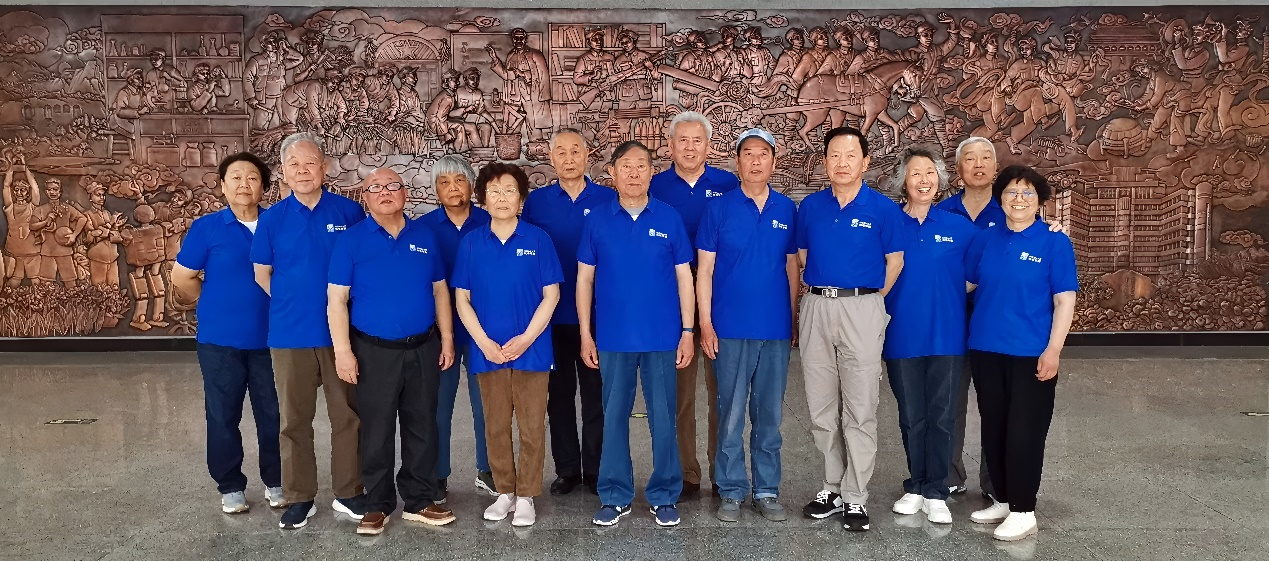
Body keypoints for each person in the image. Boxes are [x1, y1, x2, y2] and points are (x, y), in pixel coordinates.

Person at [327, 168, 457, 536]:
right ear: (365, 197)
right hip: (373, 352)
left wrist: (447, 338)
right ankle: (378, 504)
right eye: (375, 188)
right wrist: (343, 351)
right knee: (377, 429)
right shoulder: (351, 241)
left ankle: (419, 500)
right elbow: (336, 300)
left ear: (405, 194)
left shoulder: (425, 236)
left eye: (392, 186)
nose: (385, 192)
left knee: (422, 425)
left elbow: (440, 290)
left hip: (423, 347)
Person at [250, 132, 367, 529]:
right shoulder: (271, 219)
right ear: (284, 172)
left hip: (341, 337)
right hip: (290, 335)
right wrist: (294, 300)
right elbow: (263, 274)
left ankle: (349, 492)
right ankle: (300, 496)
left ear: (324, 168)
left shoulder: (349, 213)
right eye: (294, 165)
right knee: (294, 420)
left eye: (310, 163)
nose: (302, 171)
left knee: (347, 416)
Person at [797, 126, 909, 532]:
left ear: (865, 162)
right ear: (825, 162)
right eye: (834, 156)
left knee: (860, 407)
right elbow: (803, 256)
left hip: (862, 308)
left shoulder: (883, 209)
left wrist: (870, 300)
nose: (841, 163)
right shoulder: (811, 207)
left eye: (850, 156)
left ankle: (856, 495)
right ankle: (831, 486)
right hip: (816, 305)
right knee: (821, 406)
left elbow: (895, 262)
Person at [580, 141, 694, 528]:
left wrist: (688, 330)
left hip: (662, 337)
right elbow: (584, 279)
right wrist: (586, 333)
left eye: (641, 166)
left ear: (651, 172)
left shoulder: (669, 217)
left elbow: (684, 277)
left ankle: (664, 494)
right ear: (612, 172)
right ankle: (615, 494)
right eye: (625, 166)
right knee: (613, 417)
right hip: (613, 337)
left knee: (663, 418)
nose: (633, 173)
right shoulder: (597, 219)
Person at [966, 165, 1078, 541]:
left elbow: (1064, 301)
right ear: (1000, 198)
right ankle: (1003, 498)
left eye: (1027, 193)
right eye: (1011, 192)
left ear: (1040, 201)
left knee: (1024, 432)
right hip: (986, 348)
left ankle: (1024, 509)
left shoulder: (1054, 242)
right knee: (994, 427)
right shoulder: (986, 238)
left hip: (1031, 352)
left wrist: (1054, 350)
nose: (1019, 199)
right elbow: (966, 284)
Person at [696, 128, 798, 523]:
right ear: (736, 161)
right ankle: (731, 489)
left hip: (774, 328)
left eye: (763, 154)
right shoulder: (718, 209)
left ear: (774, 161)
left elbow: (791, 267)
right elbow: (704, 271)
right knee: (731, 413)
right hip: (730, 328)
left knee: (769, 414)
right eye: (748, 154)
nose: (756, 161)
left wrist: (792, 317)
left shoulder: (786, 209)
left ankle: (767, 489)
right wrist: (706, 323)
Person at [171, 152, 281, 515]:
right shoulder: (208, 228)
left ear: (264, 187)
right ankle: (231, 485)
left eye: (252, 178)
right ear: (222, 186)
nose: (244, 184)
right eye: (235, 177)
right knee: (222, 415)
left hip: (275, 339)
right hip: (220, 341)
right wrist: (212, 299)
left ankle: (277, 481)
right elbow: (182, 277)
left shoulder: (278, 224)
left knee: (275, 415)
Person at [454, 162, 563, 527]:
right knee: (496, 424)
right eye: (494, 192)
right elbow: (462, 299)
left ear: (521, 200)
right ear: (483, 200)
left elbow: (551, 295)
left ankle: (527, 494)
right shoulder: (471, 243)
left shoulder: (538, 239)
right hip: (487, 351)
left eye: (510, 191)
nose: (502, 198)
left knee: (532, 426)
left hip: (532, 349)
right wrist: (483, 342)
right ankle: (504, 491)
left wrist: (527, 338)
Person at [880, 146, 980, 525]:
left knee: (942, 416)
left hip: (947, 337)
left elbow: (981, 270)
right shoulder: (889, 223)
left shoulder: (958, 227)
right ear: (903, 181)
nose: (924, 180)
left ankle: (937, 489)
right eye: (916, 173)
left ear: (939, 180)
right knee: (911, 415)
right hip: (901, 336)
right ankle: (916, 485)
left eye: (930, 173)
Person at [648, 110, 739, 498]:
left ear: (709, 146)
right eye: (682, 140)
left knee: (723, 392)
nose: (689, 147)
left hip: (721, 300)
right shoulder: (655, 186)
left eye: (697, 140)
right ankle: (686, 472)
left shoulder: (728, 184)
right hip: (672, 302)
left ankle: (722, 471)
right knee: (679, 394)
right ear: (670, 146)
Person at [522, 128, 615, 496]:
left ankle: (595, 469)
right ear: (551, 158)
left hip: (598, 315)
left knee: (596, 396)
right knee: (558, 397)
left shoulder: (608, 198)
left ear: (587, 154)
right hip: (552, 316)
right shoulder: (537, 203)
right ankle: (567, 470)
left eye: (575, 151)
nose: (569, 158)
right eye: (561, 152)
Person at [419, 155, 495, 500]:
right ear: (435, 189)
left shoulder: (491, 221)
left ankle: (488, 469)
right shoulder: (422, 229)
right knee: (438, 407)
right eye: (444, 182)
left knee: (487, 405)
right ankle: (437, 475)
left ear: (471, 185)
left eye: (459, 180)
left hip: (484, 330)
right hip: (438, 333)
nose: (452, 188)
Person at [935, 136, 1003, 499]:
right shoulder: (942, 213)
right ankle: (949, 474)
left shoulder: (1011, 211)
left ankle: (994, 482)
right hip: (951, 317)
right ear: (958, 169)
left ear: (995, 167)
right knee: (948, 400)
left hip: (995, 318)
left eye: (985, 158)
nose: (978, 165)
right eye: (970, 159)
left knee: (994, 402)